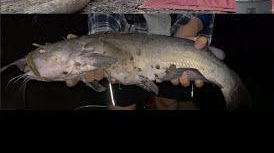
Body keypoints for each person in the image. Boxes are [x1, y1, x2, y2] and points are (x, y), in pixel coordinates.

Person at [65, 13, 220, 109]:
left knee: (168, 102)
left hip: (174, 47)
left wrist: (196, 21)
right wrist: (100, 42)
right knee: (122, 106)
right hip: (124, 43)